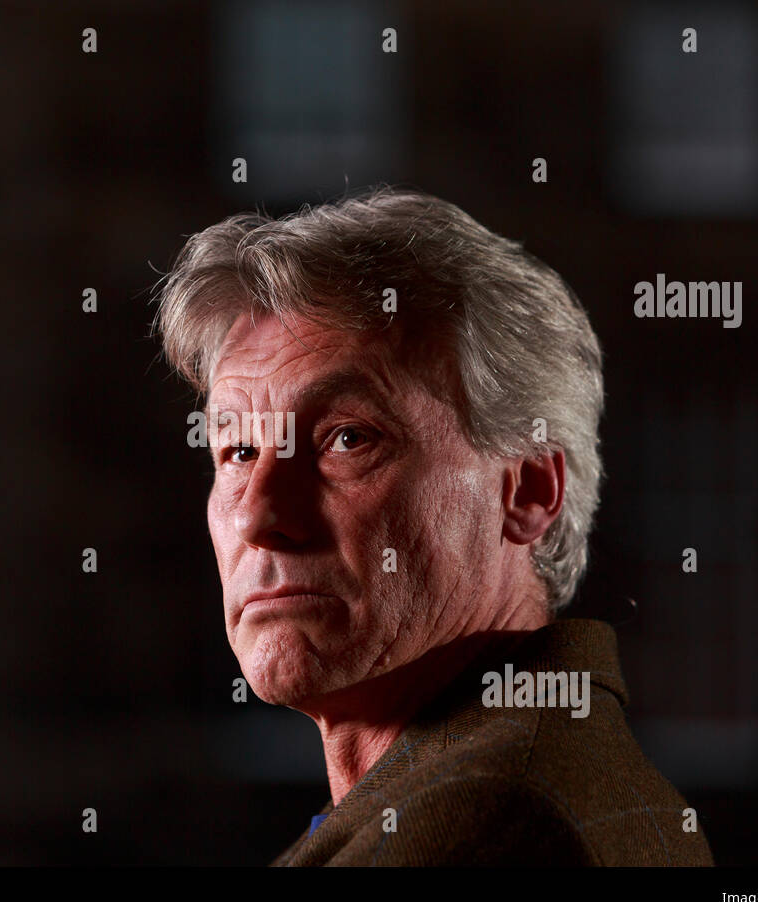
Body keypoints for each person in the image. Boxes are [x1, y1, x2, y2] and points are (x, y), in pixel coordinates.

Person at [152, 185, 713, 866]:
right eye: (238, 450)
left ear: (529, 490)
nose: (258, 515)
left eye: (347, 438)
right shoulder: (518, 775)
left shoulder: (485, 823)